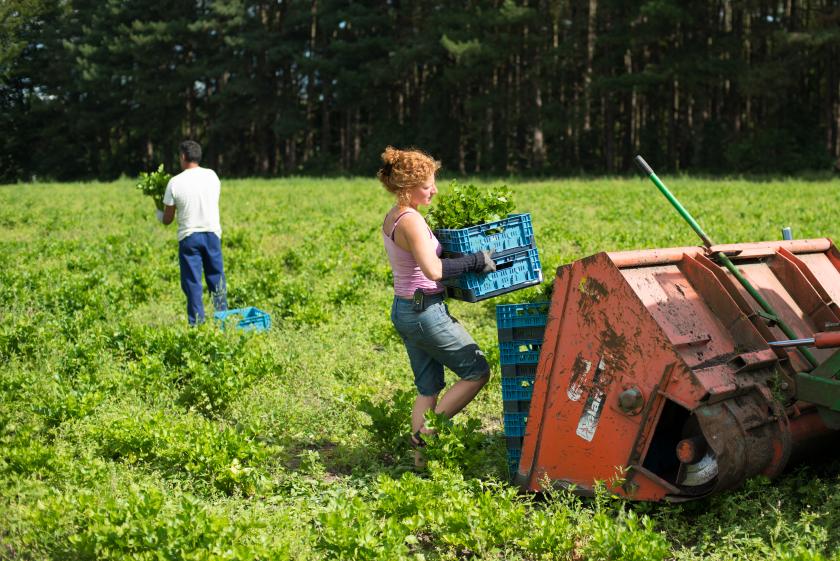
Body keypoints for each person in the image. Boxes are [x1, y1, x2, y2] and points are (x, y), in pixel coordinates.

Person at [377, 145, 494, 465]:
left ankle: (419, 465)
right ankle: (427, 434)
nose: (434, 190)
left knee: (428, 388)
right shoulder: (411, 221)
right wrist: (475, 260)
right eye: (428, 185)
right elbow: (434, 270)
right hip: (424, 312)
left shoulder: (396, 216)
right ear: (408, 187)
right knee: (477, 371)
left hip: (407, 309)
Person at [157, 140, 228, 325]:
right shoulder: (212, 176)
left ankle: (197, 325)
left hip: (189, 238)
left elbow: (167, 219)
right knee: (216, 278)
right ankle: (223, 320)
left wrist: (159, 212)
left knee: (193, 283)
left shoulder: (174, 182)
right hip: (212, 234)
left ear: (182, 157)